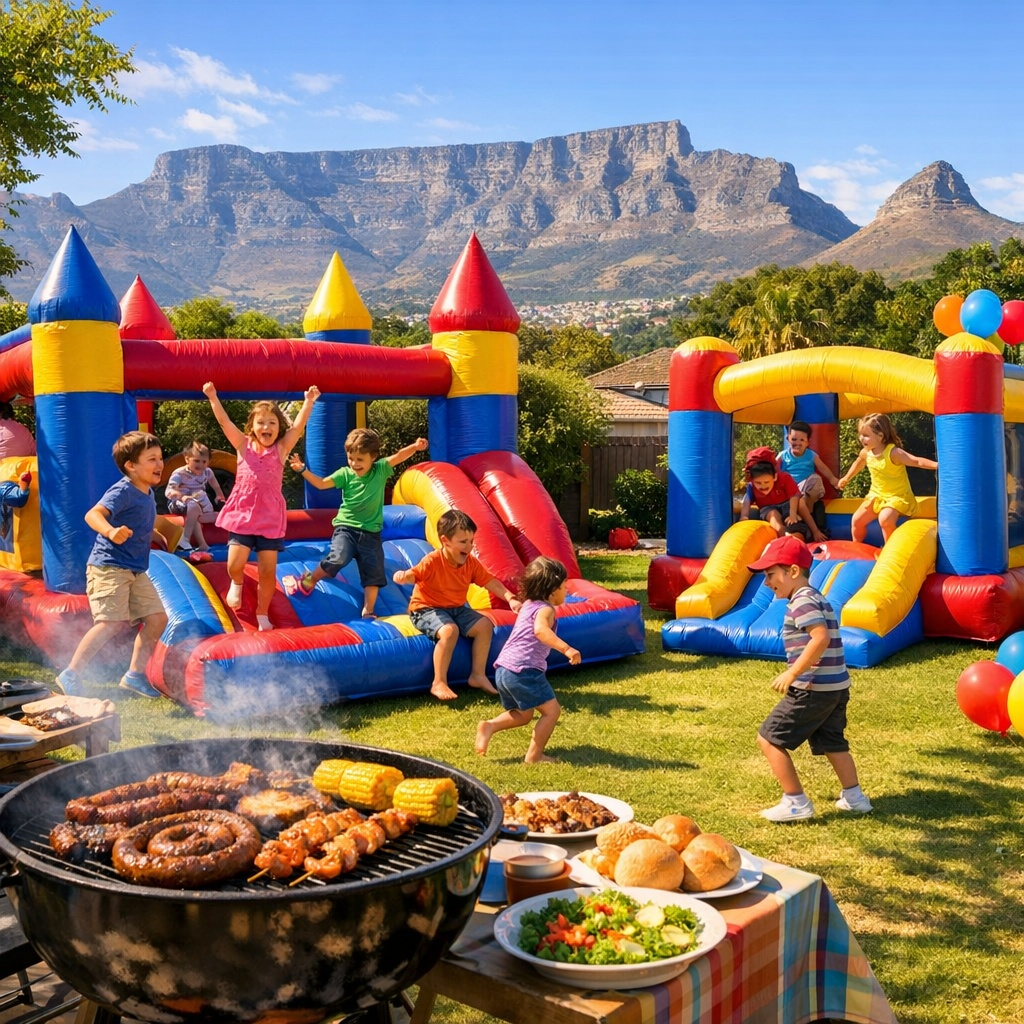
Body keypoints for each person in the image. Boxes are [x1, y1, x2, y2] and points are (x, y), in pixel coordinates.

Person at [747, 534, 871, 821]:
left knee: (769, 739)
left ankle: (795, 802)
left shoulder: (802, 602)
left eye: (770, 575)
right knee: (832, 742)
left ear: (792, 571)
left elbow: (820, 637)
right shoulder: (816, 597)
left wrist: (793, 672)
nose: (766, 582)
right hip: (835, 687)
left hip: (812, 688)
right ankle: (854, 798)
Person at [56, 432, 169, 699]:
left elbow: (137, 520)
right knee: (110, 622)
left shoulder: (147, 492)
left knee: (157, 618)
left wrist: (153, 534)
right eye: (152, 459)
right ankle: (71, 672)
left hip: (134, 570)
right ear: (131, 466)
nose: (160, 463)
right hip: (109, 566)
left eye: (160, 457)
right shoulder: (124, 490)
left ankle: (134, 675)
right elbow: (93, 514)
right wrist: (110, 531)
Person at [203, 382, 320, 631]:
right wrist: (213, 396)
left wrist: (308, 402)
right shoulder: (243, 445)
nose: (266, 427)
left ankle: (262, 613)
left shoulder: (281, 449)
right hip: (244, 514)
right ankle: (237, 582)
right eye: (261, 422)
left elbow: (298, 427)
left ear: (279, 428)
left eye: (272, 423)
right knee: (234, 564)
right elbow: (224, 423)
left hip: (269, 518)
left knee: (268, 571)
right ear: (252, 427)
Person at [286, 429, 428, 617]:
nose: (354, 463)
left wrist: (415, 447)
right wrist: (303, 470)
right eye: (351, 458)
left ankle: (368, 610)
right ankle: (310, 579)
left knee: (374, 572)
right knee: (339, 557)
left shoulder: (380, 469)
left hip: (371, 533)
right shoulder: (345, 474)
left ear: (373, 457)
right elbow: (321, 484)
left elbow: (399, 456)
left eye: (360, 459)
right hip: (347, 528)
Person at [392, 508, 521, 701]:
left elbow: (490, 582)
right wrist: (403, 577)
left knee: (485, 626)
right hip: (426, 609)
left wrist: (510, 597)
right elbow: (414, 574)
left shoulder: (471, 563)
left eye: (471, 541)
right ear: (445, 541)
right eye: (463, 542)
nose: (469, 547)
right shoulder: (433, 561)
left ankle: (477, 675)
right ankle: (439, 682)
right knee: (449, 631)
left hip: (457, 608)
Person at [476, 556, 580, 763]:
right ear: (551, 591)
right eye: (563, 586)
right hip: (523, 669)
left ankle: (490, 726)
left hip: (504, 668)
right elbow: (540, 631)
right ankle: (534, 756)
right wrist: (566, 649)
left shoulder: (529, 605)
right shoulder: (545, 610)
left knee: (523, 715)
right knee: (552, 712)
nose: (566, 590)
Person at [837, 413, 937, 545]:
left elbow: (916, 461)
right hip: (876, 495)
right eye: (860, 434)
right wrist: (846, 478)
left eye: (866, 435)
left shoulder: (893, 453)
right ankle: (857, 547)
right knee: (857, 520)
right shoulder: (866, 452)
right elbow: (858, 463)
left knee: (885, 520)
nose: (862, 438)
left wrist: (937, 466)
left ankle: (889, 550)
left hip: (897, 497)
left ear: (881, 436)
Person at [777, 421, 842, 542]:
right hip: (790, 488)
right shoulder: (783, 456)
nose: (797, 443)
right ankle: (805, 518)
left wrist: (833, 479)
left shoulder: (811, 455)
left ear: (808, 442)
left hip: (806, 486)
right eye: (794, 439)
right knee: (791, 492)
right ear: (788, 439)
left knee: (815, 478)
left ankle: (807, 511)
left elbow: (823, 468)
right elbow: (773, 470)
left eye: (802, 440)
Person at [164, 441, 226, 562]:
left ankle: (203, 545)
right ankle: (185, 539)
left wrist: (220, 497)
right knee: (194, 506)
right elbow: (169, 491)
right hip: (179, 503)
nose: (201, 465)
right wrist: (182, 497)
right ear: (187, 459)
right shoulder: (179, 473)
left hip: (198, 504)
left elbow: (216, 486)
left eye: (204, 461)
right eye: (196, 461)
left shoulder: (207, 472)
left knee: (219, 516)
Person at [739, 458, 814, 539]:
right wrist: (744, 516)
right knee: (773, 515)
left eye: (766, 482)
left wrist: (792, 514)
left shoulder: (784, 478)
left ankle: (798, 536)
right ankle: (783, 535)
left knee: (794, 518)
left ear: (775, 477)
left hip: (787, 504)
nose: (763, 486)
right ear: (753, 481)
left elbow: (794, 496)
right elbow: (747, 500)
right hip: (767, 508)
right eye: (758, 483)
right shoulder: (751, 486)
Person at [0, 470, 32, 541]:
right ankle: (23, 488)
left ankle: (23, 488)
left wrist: (2, 525)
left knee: (16, 498)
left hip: (5, 487)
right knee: (17, 498)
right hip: (7, 486)